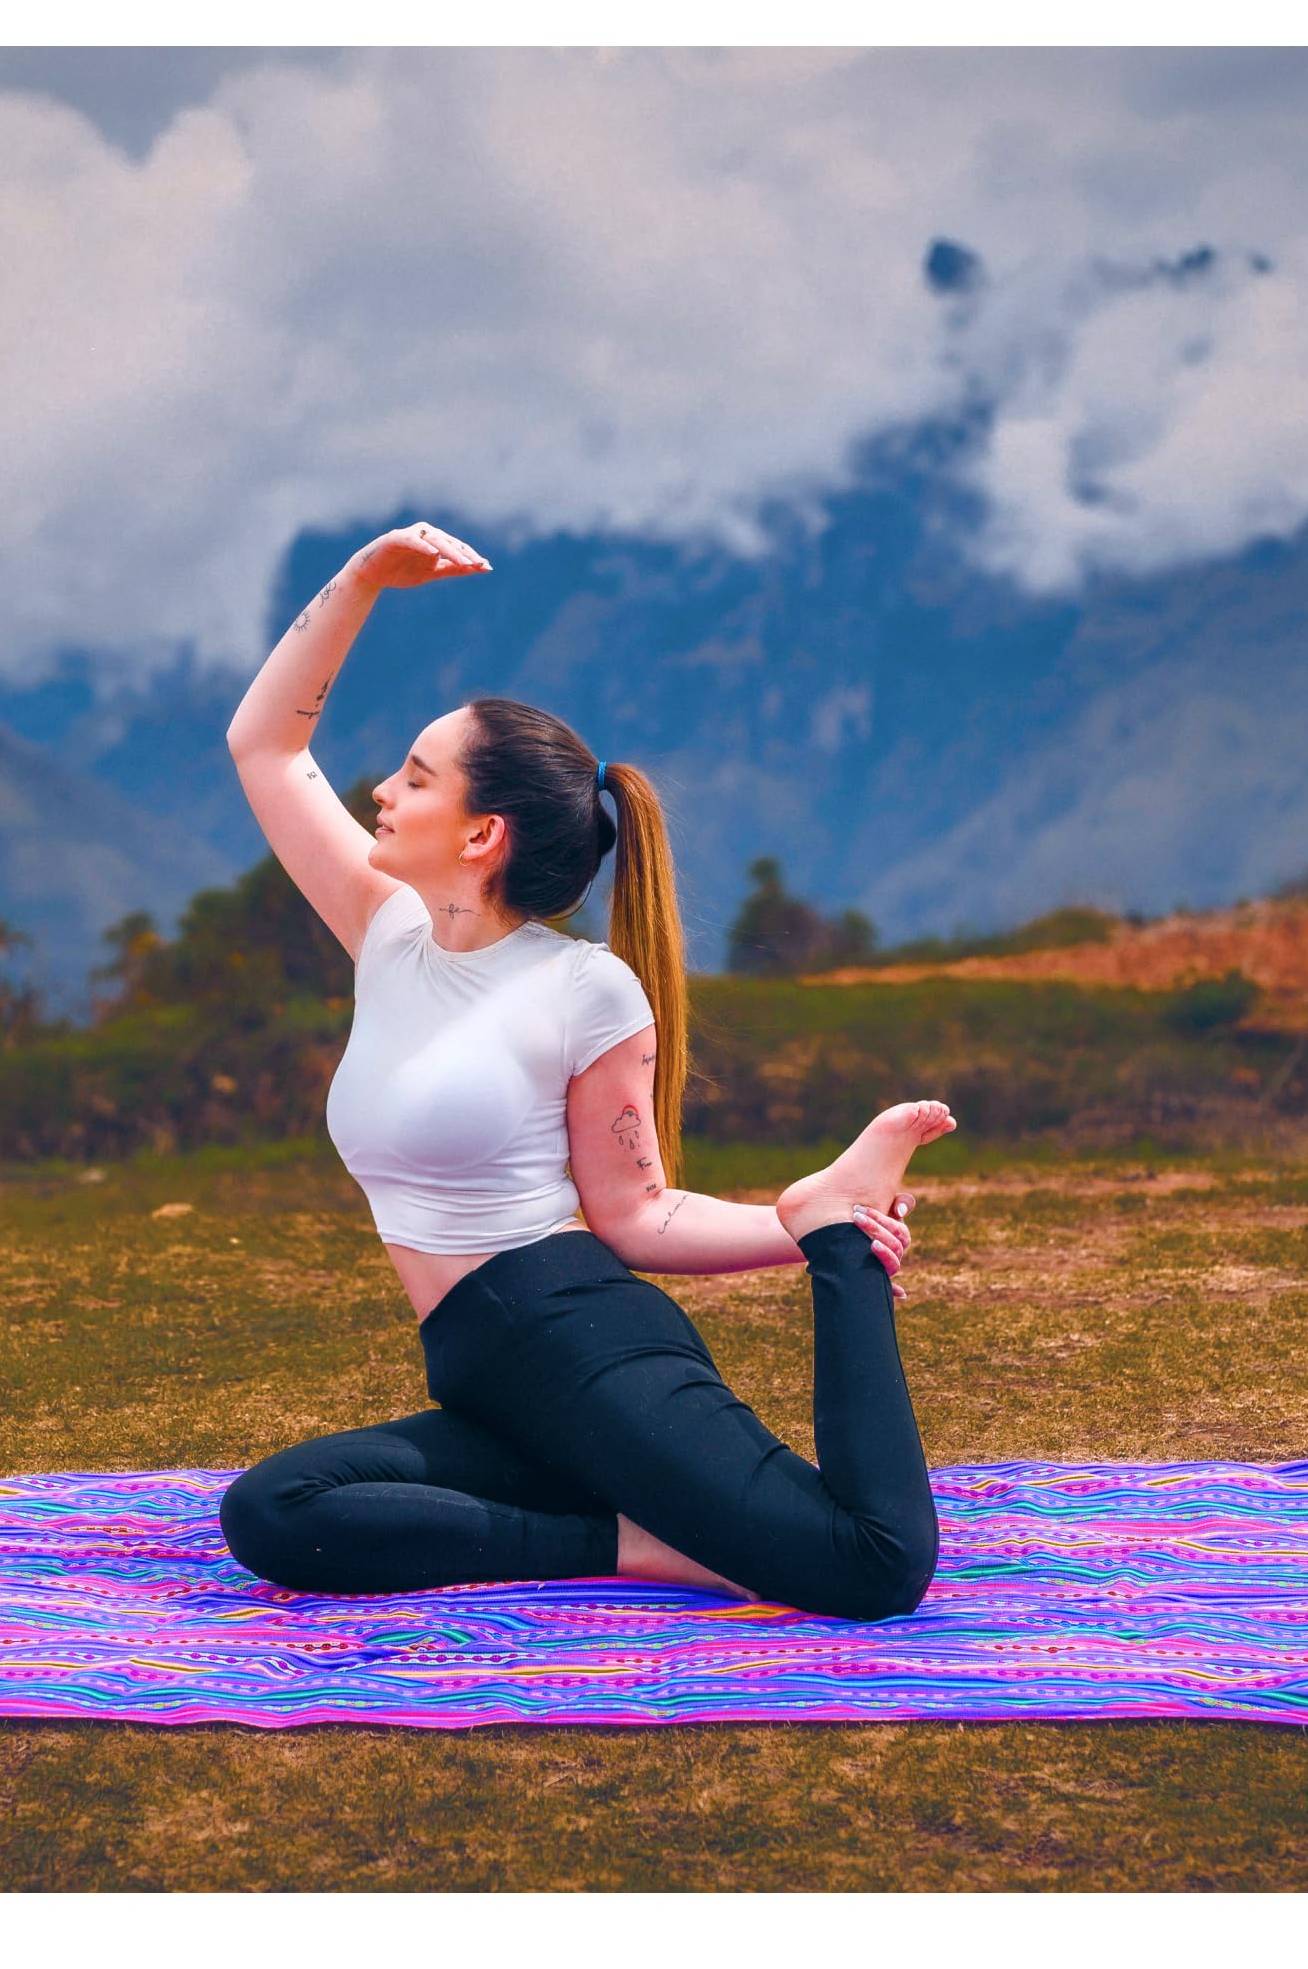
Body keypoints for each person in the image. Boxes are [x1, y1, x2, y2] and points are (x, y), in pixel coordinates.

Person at [216, 521, 954, 1620]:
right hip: (478, 1366)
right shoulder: (387, 932)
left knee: (868, 1566)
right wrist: (366, 576)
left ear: (481, 835)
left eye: (416, 778)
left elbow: (634, 1213)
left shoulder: (584, 987)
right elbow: (266, 748)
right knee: (277, 1510)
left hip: (576, 1341)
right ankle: (630, 1537)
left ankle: (841, 1235)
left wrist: (806, 1230)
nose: (381, 789)